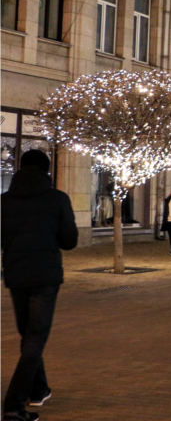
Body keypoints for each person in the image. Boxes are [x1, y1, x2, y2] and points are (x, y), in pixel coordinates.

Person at [0, 150, 77, 420]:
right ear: (46, 170)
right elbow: (69, 240)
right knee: (35, 338)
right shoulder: (57, 199)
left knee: (30, 336)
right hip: (45, 278)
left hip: (16, 276)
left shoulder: (4, 201)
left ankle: (39, 389)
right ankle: (13, 405)